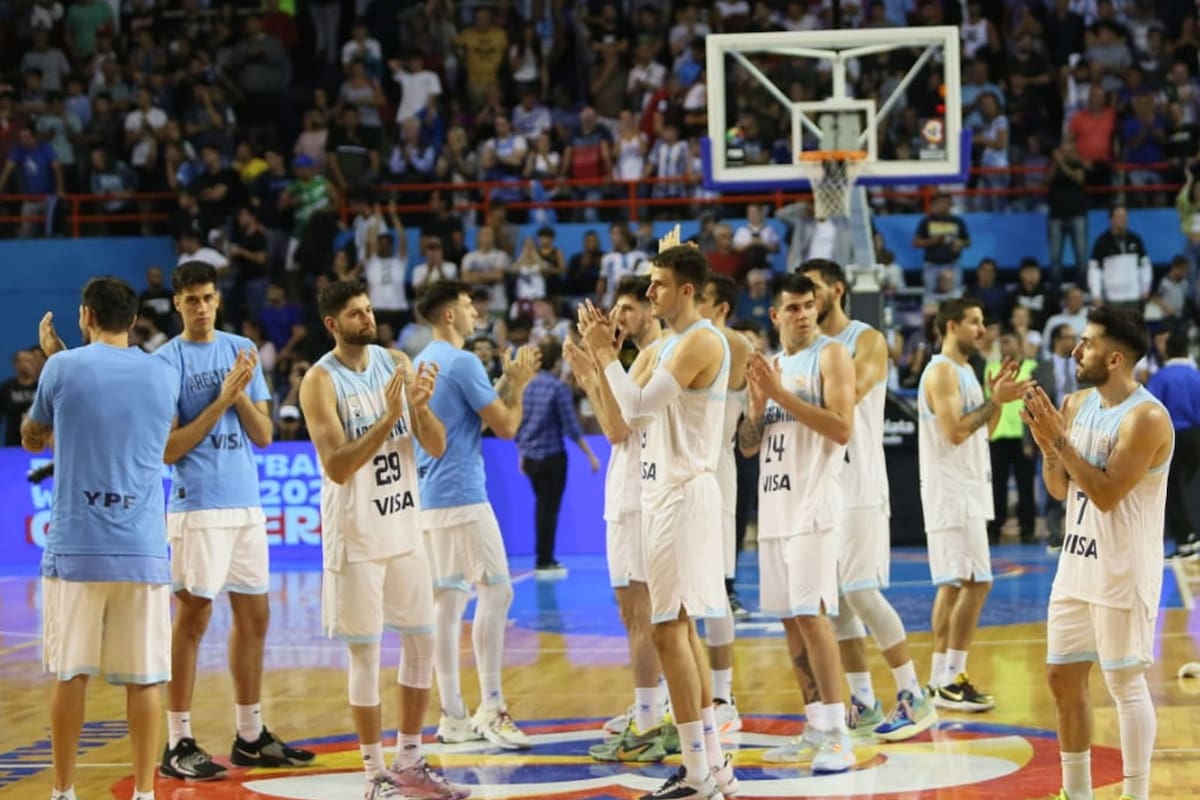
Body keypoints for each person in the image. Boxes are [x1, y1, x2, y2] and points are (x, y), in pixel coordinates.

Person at [575, 237, 736, 800]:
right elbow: (625, 415)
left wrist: (602, 357)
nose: (648, 291)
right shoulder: (672, 343)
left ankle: (697, 772)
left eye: (658, 284)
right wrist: (601, 366)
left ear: (686, 291)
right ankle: (713, 765)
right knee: (678, 628)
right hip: (665, 494)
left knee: (669, 630)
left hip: (683, 495)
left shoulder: (700, 342)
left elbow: (637, 407)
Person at [299, 280, 468, 800]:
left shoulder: (395, 360)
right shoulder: (318, 382)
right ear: (333, 324)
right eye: (355, 313)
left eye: (368, 310)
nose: (367, 319)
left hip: (404, 527)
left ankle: (411, 760)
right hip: (357, 536)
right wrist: (390, 418)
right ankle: (375, 775)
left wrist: (415, 408)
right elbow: (336, 467)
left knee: (421, 644)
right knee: (366, 655)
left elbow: (436, 444)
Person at [23, 278, 179, 800]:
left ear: (86, 314)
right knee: (146, 678)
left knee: (70, 675)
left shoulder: (61, 367)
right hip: (142, 547)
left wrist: (54, 359)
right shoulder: (163, 374)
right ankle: (144, 793)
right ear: (133, 320)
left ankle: (64, 792)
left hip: (76, 547)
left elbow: (33, 437)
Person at [156, 261, 313, 779]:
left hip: (245, 502)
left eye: (207, 298)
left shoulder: (241, 351)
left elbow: (265, 435)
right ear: (177, 304)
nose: (201, 308)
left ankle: (250, 734)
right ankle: (177, 741)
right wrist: (221, 398)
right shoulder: (166, 362)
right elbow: (168, 449)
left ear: (218, 299)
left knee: (256, 618)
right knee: (193, 619)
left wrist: (240, 393)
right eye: (191, 300)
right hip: (197, 505)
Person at [1022, 306, 1174, 800]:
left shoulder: (1147, 418)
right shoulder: (1077, 402)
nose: (1075, 350)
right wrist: (1049, 448)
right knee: (1062, 676)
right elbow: (1062, 490)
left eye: (1085, 343)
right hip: (1076, 563)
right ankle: (1077, 792)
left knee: (1125, 684)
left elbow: (1107, 495)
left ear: (1113, 358)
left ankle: (1137, 793)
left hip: (1122, 569)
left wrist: (1061, 443)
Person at [802, 259, 938, 742]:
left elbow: (847, 397)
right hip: (821, 485)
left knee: (860, 590)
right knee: (835, 603)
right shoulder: (807, 349)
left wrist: (789, 385)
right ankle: (861, 701)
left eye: (813, 290)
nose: (806, 300)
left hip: (859, 484)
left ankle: (913, 693)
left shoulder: (867, 340)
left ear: (837, 289)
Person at [736, 272, 857, 772]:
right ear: (775, 314)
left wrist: (781, 396)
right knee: (790, 621)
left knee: (812, 615)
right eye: (793, 307)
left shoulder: (831, 355)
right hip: (775, 507)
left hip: (813, 506)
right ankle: (814, 724)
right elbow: (747, 444)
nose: (804, 314)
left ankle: (838, 733)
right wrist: (760, 403)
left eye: (809, 305)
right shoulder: (770, 365)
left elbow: (842, 426)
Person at [412, 280, 540, 749]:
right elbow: (505, 426)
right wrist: (520, 387)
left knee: (446, 605)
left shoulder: (425, 361)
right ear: (449, 315)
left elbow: (475, 415)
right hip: (462, 493)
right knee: (498, 591)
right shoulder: (463, 361)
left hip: (429, 497)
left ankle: (453, 715)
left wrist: (505, 382)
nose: (474, 313)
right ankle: (492, 706)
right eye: (468, 306)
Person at [565, 276, 675, 760]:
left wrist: (593, 373)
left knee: (646, 614)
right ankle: (650, 708)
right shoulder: (637, 360)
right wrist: (595, 372)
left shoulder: (661, 352)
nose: (618, 318)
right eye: (617, 309)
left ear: (652, 310)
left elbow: (613, 429)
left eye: (628, 309)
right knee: (633, 612)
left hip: (644, 493)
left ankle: (653, 718)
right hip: (629, 492)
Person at [918, 297, 1033, 712]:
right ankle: (950, 677)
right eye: (974, 322)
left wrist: (995, 397)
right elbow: (954, 431)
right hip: (952, 492)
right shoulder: (943, 372)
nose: (982, 330)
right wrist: (997, 400)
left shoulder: (966, 370)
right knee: (976, 582)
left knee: (952, 583)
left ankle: (938, 679)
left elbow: (980, 424)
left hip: (965, 489)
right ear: (951, 326)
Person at [696, 273, 753, 733]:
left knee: (713, 593)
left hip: (713, 474)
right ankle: (666, 698)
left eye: (701, 298)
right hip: (676, 475)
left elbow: (749, 442)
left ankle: (723, 695)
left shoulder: (733, 347)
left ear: (721, 308)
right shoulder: (690, 340)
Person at [515, 337, 600, 575]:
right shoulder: (558, 388)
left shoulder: (525, 386)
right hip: (552, 457)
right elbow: (571, 427)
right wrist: (590, 455)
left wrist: (521, 452)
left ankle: (543, 557)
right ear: (557, 362)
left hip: (530, 458)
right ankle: (545, 559)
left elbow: (518, 422)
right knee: (548, 510)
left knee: (541, 508)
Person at [1145, 328, 1200, 556]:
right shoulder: (1196, 376)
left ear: (1166, 350)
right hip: (1197, 435)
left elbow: (1149, 411)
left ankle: (1185, 540)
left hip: (1171, 437)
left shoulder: (1160, 378)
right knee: (1193, 486)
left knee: (1171, 489)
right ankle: (1195, 535)